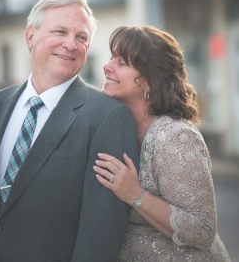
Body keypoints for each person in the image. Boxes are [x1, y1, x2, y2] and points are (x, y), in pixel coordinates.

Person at [0, 0, 140, 262]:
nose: (71, 44)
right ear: (30, 36)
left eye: (82, 37)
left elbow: (101, 232)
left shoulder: (108, 117)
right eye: (60, 31)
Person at [93, 25, 231, 261]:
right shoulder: (112, 127)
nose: (107, 67)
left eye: (122, 63)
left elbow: (202, 230)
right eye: (110, 58)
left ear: (150, 81)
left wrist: (134, 193)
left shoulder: (176, 137)